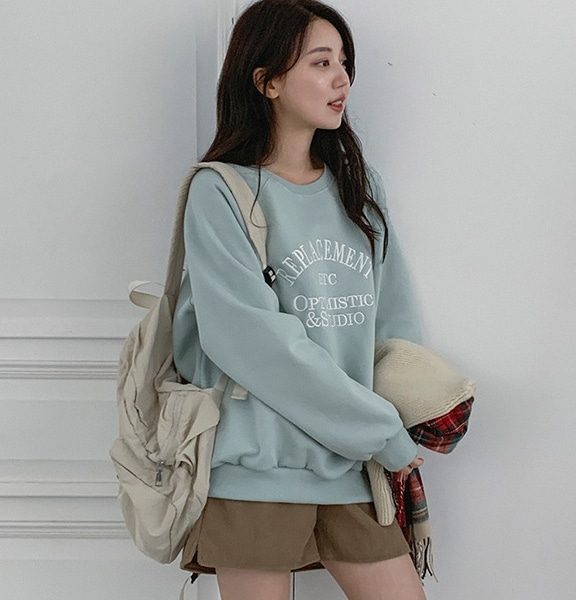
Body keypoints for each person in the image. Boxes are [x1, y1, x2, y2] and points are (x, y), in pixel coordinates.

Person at [173, 1, 427, 598]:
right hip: (257, 471)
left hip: (353, 469)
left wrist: (408, 416)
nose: (343, 79)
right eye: (321, 62)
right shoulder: (220, 191)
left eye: (344, 62)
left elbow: (393, 323)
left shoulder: (359, 188)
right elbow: (254, 343)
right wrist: (381, 432)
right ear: (267, 81)